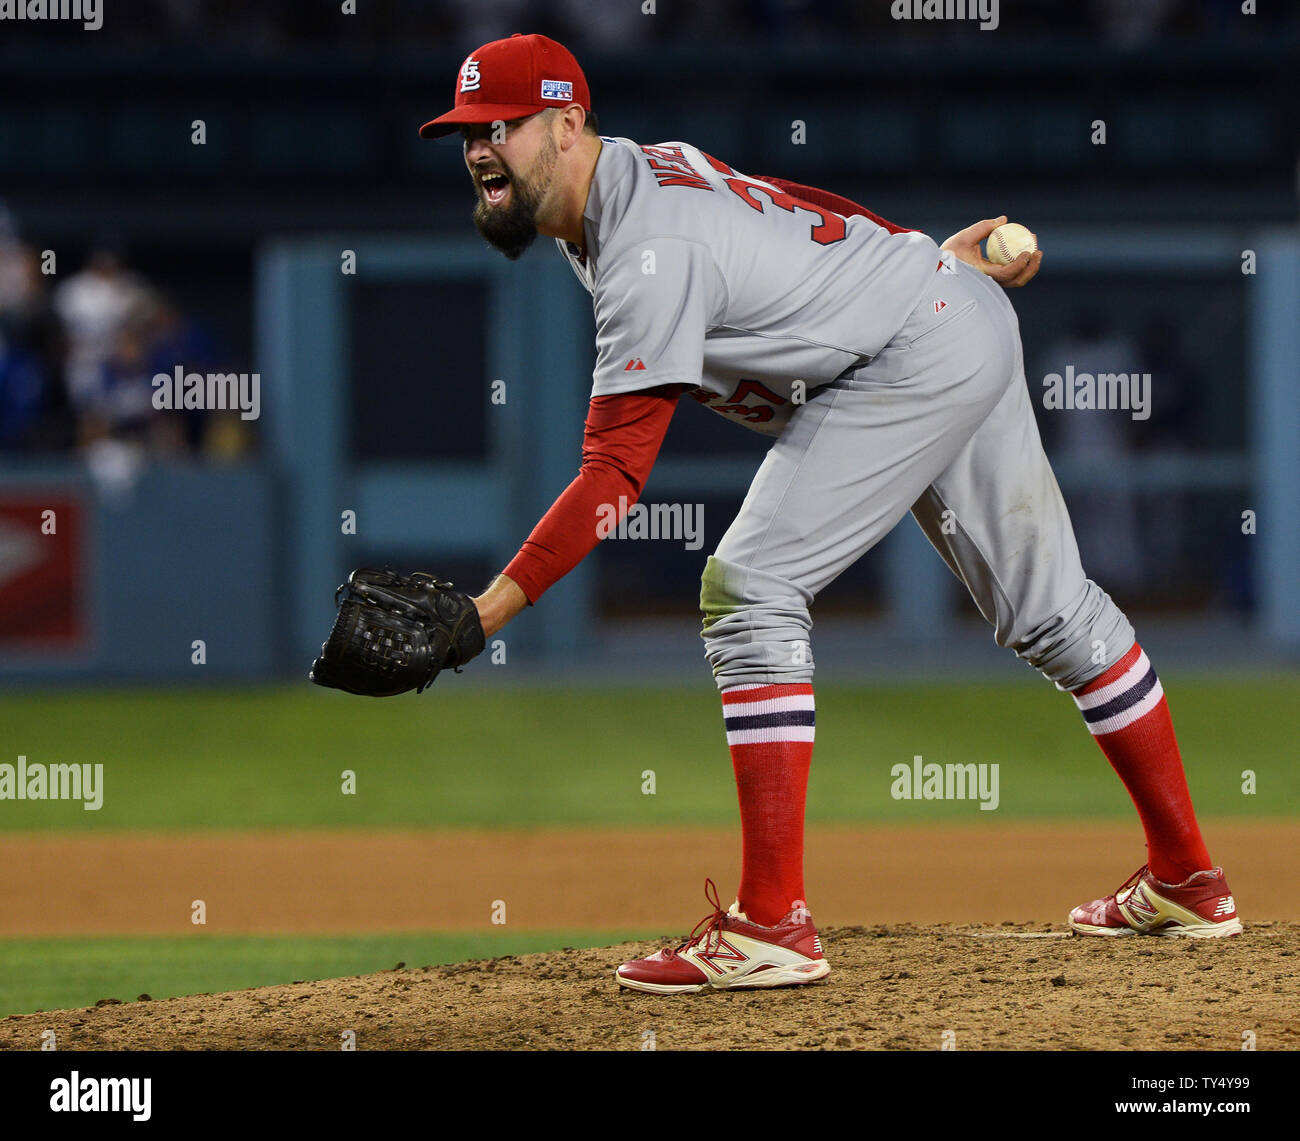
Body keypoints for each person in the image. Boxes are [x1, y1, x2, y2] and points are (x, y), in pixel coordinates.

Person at [419, 33, 1241, 995]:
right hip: (944, 313)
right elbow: (803, 224)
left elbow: (612, 476)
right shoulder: (631, 182)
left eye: (501, 126)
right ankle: (1189, 878)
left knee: (751, 584)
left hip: (910, 347)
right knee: (1057, 611)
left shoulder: (645, 245)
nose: (479, 148)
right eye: (468, 130)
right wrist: (931, 266)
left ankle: (772, 921)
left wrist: (485, 614)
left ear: (566, 124)